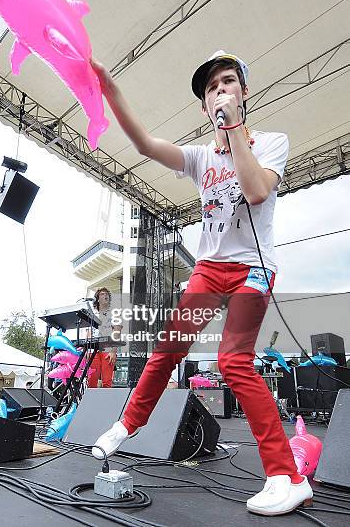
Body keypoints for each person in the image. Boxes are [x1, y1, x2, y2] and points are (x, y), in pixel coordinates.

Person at [89, 51, 313, 516]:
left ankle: (286, 477)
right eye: (212, 88)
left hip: (254, 265)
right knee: (168, 347)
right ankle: (126, 425)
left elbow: (255, 190)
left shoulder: (272, 142)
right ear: (203, 103)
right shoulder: (198, 156)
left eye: (228, 83)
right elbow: (147, 145)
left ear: (243, 92)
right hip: (210, 268)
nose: (220, 92)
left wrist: (233, 133)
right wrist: (111, 91)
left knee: (234, 362)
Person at [87, 287, 122, 388]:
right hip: (93, 349)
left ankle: (107, 403)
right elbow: (89, 332)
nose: (105, 295)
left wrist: (113, 351)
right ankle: (91, 402)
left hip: (107, 348)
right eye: (102, 294)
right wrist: (87, 350)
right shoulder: (93, 314)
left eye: (107, 294)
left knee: (107, 381)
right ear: (97, 299)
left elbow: (117, 332)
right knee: (91, 380)